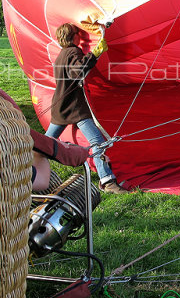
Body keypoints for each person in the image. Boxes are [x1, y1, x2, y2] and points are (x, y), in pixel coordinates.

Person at [46, 22, 123, 193]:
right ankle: (108, 182)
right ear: (74, 36)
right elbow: (78, 71)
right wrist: (94, 54)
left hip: (61, 106)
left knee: (44, 144)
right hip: (74, 107)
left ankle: (23, 168)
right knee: (97, 142)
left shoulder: (61, 54)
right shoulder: (73, 51)